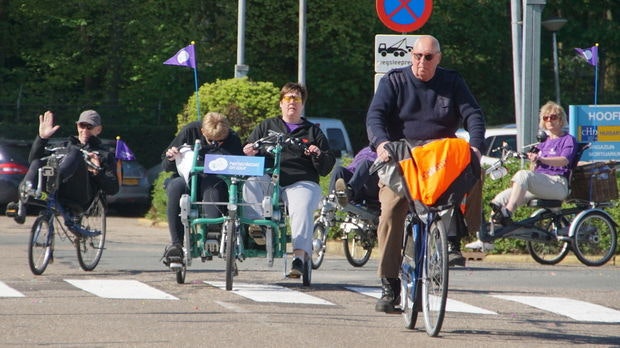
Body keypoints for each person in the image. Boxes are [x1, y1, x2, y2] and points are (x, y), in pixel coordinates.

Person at [366, 35, 486, 312]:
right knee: (392, 210)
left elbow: (474, 115)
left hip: (440, 156)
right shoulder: (394, 81)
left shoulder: (453, 81)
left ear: (438, 58)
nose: (422, 61)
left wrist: (476, 147)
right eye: (417, 56)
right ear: (411, 56)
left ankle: (458, 237)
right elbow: (375, 116)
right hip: (403, 155)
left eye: (428, 57)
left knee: (472, 166)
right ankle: (389, 283)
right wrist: (382, 144)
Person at [243, 82, 335, 278]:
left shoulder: (313, 132)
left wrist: (318, 154)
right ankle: (259, 226)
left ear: (302, 105)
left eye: (297, 99)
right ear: (280, 103)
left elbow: (327, 166)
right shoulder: (266, 126)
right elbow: (247, 151)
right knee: (251, 181)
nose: (292, 102)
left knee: (301, 207)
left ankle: (299, 258)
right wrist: (249, 151)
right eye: (288, 98)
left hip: (301, 181)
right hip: (270, 178)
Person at [6, 110, 119, 224]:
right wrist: (42, 138)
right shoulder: (64, 146)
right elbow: (33, 160)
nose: (84, 130)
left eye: (89, 127)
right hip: (57, 191)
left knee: (75, 153)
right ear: (77, 126)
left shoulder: (104, 154)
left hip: (81, 196)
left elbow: (113, 188)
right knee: (38, 163)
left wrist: (96, 171)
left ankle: (55, 181)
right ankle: (22, 203)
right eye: (82, 125)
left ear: (98, 129)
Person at [160, 112, 243, 262]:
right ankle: (176, 245)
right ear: (203, 132)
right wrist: (170, 157)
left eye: (220, 141)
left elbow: (240, 168)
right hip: (188, 179)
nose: (215, 144)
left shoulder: (232, 138)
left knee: (212, 186)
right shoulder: (190, 131)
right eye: (211, 140)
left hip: (215, 182)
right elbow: (165, 165)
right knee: (175, 187)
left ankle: (213, 230)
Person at [489, 101, 577, 226]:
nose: (549, 120)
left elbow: (564, 160)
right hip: (540, 183)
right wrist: (534, 161)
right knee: (499, 200)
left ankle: (508, 212)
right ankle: (487, 240)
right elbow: (533, 170)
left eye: (553, 117)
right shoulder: (543, 143)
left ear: (561, 119)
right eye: (546, 118)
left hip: (558, 184)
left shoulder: (568, 139)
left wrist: (542, 159)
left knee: (523, 175)